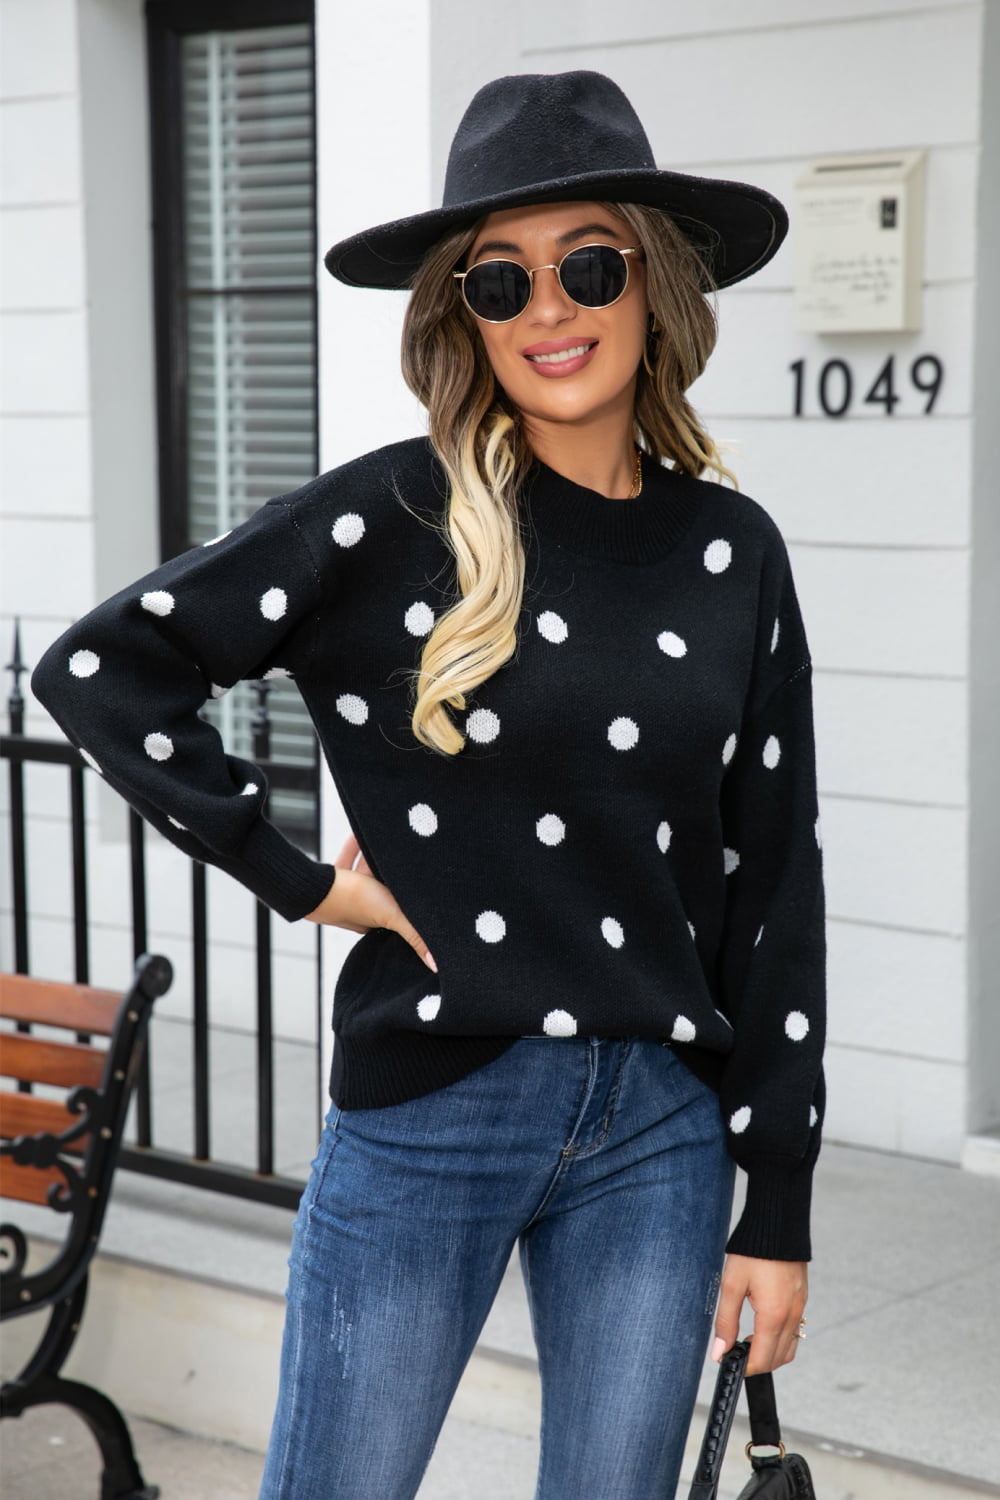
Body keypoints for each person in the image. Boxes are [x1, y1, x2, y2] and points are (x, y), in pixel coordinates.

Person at [32, 70, 825, 1500]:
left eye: (590, 265)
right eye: (499, 280)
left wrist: (777, 1205)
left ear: (655, 284)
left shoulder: (735, 552)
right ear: (463, 314)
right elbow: (104, 671)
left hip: (663, 1125)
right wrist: (305, 884)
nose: (548, 309)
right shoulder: (392, 516)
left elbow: (774, 884)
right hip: (435, 1107)